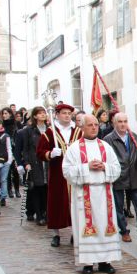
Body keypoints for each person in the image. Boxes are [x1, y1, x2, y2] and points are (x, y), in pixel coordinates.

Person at [62, 114, 122, 274]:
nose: (94, 127)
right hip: (84, 194)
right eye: (90, 125)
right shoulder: (74, 148)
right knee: (85, 228)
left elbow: (116, 168)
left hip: (104, 194)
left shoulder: (105, 146)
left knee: (104, 227)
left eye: (96, 124)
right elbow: (67, 171)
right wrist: (87, 167)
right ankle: (87, 263)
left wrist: (104, 167)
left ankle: (105, 261)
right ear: (82, 127)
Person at [37, 103, 82, 247]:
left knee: (75, 202)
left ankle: (75, 232)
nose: (67, 116)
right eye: (64, 113)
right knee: (57, 202)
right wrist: (50, 153)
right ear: (57, 115)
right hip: (58, 173)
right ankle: (56, 234)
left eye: (69, 113)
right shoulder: (50, 133)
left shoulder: (78, 131)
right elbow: (40, 152)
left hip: (75, 172)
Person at [104, 112, 137, 242]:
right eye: (120, 122)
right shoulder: (108, 139)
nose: (123, 124)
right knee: (119, 206)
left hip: (133, 176)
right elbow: (107, 158)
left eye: (125, 121)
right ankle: (124, 231)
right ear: (114, 123)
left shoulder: (133, 137)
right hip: (118, 177)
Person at [18, 107, 50, 225]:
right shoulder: (28, 130)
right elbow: (25, 149)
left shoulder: (49, 129)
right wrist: (26, 163)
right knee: (37, 188)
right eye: (40, 113)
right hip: (35, 162)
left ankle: (46, 212)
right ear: (35, 116)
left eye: (44, 113)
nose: (43, 115)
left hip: (47, 162)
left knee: (46, 189)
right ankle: (39, 214)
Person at [1, 107, 22, 198]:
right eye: (3, 114)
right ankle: (9, 190)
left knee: (15, 170)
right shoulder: (1, 124)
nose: (4, 115)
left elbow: (19, 136)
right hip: (5, 150)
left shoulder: (16, 123)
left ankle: (17, 189)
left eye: (6, 113)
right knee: (7, 171)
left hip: (15, 149)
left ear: (10, 114)